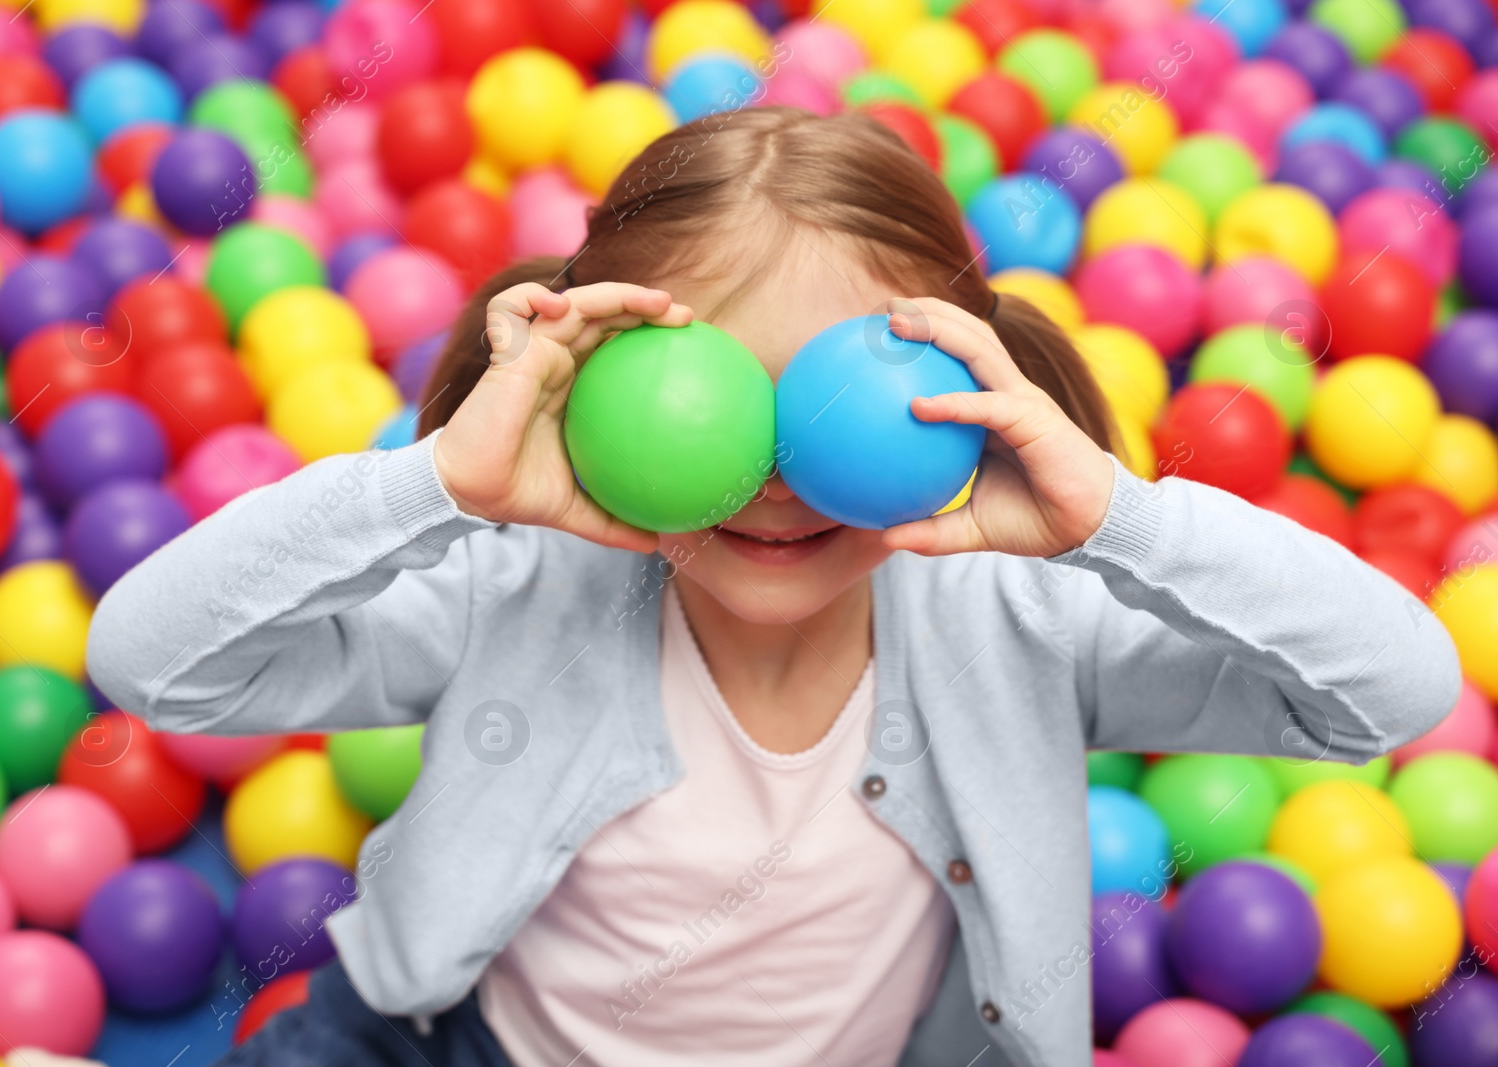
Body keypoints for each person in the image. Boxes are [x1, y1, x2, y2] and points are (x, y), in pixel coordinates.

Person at [88, 109, 1460, 1067]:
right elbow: (155, 664)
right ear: (589, 394)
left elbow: (1387, 694)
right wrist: (434, 483)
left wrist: (1118, 520)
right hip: (451, 1045)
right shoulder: (523, 580)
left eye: (849, 412)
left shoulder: (1021, 617)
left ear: (965, 394)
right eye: (707, 412)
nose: (777, 483)